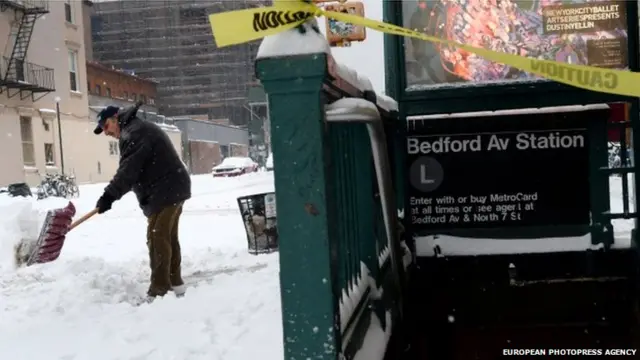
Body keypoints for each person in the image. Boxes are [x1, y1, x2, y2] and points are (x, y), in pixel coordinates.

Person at [93, 104, 191, 301]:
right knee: (165, 237)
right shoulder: (134, 130)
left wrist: (108, 196)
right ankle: (175, 284)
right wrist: (112, 195)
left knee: (157, 237)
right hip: (169, 188)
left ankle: (160, 291)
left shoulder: (135, 133)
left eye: (106, 126)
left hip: (167, 190)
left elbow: (128, 171)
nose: (106, 132)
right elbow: (132, 172)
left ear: (115, 118)